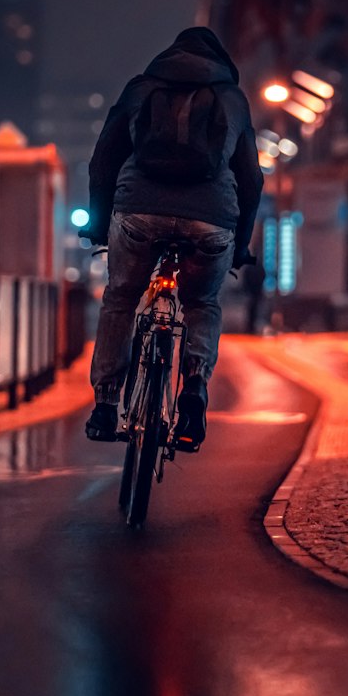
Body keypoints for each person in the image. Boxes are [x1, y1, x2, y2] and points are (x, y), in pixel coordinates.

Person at [83, 26, 263, 448]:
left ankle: (106, 406)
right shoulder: (233, 100)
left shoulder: (141, 88)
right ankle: (195, 390)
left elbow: (103, 159)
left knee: (122, 298)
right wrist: (240, 245)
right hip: (212, 220)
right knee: (201, 302)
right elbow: (251, 179)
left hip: (137, 214)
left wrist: (97, 221)